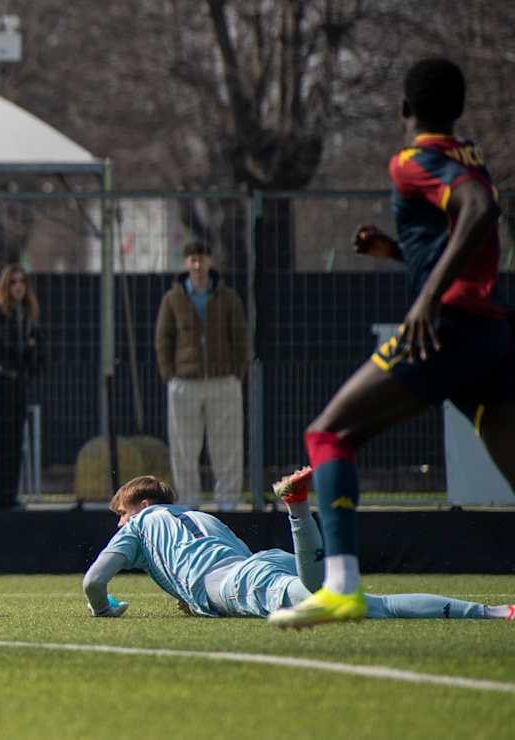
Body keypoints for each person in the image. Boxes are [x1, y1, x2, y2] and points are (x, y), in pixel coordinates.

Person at [269, 58, 515, 628]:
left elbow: (480, 211)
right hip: (489, 331)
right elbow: (469, 230)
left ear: (404, 108)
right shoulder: (470, 155)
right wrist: (400, 253)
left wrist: (428, 297)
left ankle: (341, 589)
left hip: (447, 327)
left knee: (328, 434)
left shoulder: (410, 161)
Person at [82, 472, 514, 621]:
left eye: (121, 513)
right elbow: (215, 562)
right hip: (262, 563)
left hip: (244, 582)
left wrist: (104, 609)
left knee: (368, 608)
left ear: (142, 506)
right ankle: (493, 611)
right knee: (360, 600)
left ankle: (298, 508)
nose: (119, 522)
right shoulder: (200, 516)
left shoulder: (141, 524)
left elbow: (94, 582)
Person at [155, 241, 248, 510]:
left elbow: (240, 337)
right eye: (193, 260)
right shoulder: (172, 299)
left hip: (223, 380)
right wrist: (170, 374)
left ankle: (228, 503)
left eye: (202, 259)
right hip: (185, 381)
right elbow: (163, 339)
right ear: (186, 263)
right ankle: (188, 504)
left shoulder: (228, 297)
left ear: (210, 262)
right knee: (184, 446)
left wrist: (236, 373)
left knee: (227, 445)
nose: (197, 265)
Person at [0, 264, 47, 508]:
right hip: (0, 380)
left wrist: (29, 352)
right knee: (0, 440)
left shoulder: (28, 314)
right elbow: (3, 345)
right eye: (13, 282)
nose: (18, 287)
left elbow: (39, 350)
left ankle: (11, 495)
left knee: (16, 440)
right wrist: (26, 347)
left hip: (19, 381)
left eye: (22, 282)